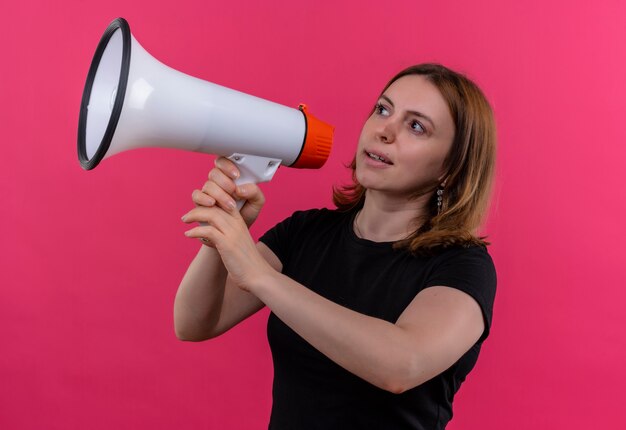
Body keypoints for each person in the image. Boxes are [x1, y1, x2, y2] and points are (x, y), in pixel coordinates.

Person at [175, 63, 497, 429]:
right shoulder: (306, 232)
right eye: (383, 109)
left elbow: (401, 365)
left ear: (450, 168)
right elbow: (194, 323)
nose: (384, 131)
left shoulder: (462, 266)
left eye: (416, 126)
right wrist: (221, 232)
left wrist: (260, 275)